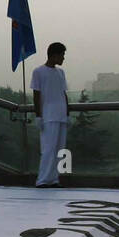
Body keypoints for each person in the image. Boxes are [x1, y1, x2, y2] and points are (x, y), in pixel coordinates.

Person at [31, 41, 70, 187]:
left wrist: (67, 113)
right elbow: (36, 95)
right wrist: (38, 116)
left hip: (61, 116)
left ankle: (54, 179)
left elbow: (63, 93)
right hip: (48, 116)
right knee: (48, 149)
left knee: (59, 149)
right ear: (54, 55)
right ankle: (42, 180)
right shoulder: (38, 72)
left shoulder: (61, 73)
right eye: (62, 55)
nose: (63, 58)